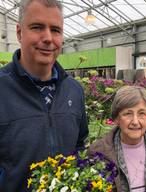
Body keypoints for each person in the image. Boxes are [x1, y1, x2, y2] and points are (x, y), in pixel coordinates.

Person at [0, 0, 88, 191]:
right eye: (37, 27)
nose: (48, 38)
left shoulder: (74, 90)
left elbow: (79, 144)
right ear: (19, 32)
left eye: (55, 30)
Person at [88, 85, 146, 192]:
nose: (135, 121)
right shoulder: (97, 153)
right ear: (116, 118)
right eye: (128, 114)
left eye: (142, 113)